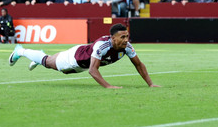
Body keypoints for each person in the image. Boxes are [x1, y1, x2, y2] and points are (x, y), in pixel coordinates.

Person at [8, 23, 161, 89]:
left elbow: (139, 65)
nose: (126, 40)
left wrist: (150, 84)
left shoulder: (127, 47)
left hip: (82, 61)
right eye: (122, 37)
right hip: (74, 59)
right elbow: (92, 71)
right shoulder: (103, 46)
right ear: (113, 38)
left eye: (127, 36)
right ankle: (20, 51)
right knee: (48, 62)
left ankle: (38, 59)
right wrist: (108, 86)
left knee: (48, 61)